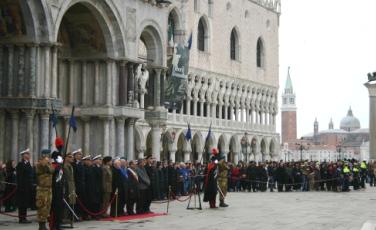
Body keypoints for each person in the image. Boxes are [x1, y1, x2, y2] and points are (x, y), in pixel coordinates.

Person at [35, 149, 54, 230]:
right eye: (46, 154)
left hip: (48, 188)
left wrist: (49, 163)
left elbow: (52, 170)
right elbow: (45, 166)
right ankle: (41, 225)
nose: (48, 156)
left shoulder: (49, 162)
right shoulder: (40, 162)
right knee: (42, 206)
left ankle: (44, 223)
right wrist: (47, 162)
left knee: (47, 207)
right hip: (42, 189)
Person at [16, 148, 33, 224]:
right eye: (27, 154)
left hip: (27, 187)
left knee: (25, 203)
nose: (29, 155)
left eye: (28, 154)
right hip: (22, 188)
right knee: (22, 203)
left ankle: (24, 217)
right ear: (23, 156)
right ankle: (21, 218)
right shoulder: (20, 164)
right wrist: (21, 187)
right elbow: (20, 177)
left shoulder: (28, 163)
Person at [50, 151, 64, 230]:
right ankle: (54, 225)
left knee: (59, 208)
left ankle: (58, 224)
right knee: (54, 208)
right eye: (60, 157)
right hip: (54, 190)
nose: (61, 158)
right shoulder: (53, 166)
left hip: (60, 189)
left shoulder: (59, 166)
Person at [72, 149, 85, 219]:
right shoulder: (73, 164)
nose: (80, 155)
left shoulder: (80, 163)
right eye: (78, 154)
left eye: (80, 154)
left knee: (81, 201)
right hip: (76, 185)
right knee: (76, 202)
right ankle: (75, 215)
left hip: (81, 185)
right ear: (75, 155)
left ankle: (80, 214)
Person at [63, 152, 76, 223]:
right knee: (66, 202)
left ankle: (68, 216)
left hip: (71, 186)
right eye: (70, 157)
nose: (72, 158)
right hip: (66, 186)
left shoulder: (70, 166)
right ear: (66, 158)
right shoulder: (64, 166)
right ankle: (64, 217)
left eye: (72, 157)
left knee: (70, 201)